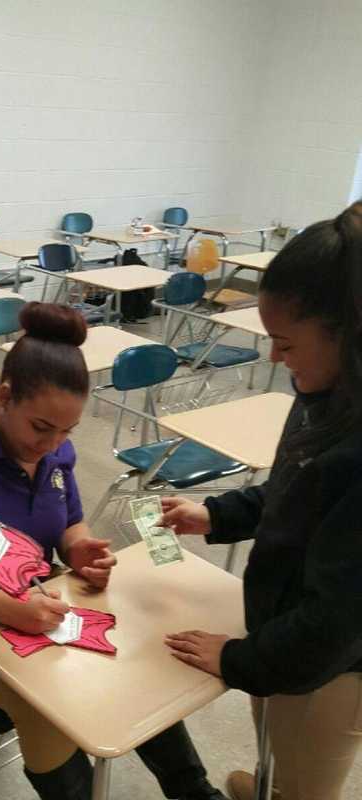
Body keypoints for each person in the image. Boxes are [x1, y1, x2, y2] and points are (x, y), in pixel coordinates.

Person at [0, 301, 229, 800]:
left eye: (66, 433)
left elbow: (68, 524)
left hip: (40, 595)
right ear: (5, 396)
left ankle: (194, 791)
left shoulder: (54, 452)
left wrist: (80, 550)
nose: (53, 445)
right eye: (40, 428)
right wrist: (14, 610)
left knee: (129, 650)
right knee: (45, 701)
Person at [163, 202, 362, 800]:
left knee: (306, 780)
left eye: (285, 343)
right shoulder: (326, 388)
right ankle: (273, 777)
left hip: (329, 672)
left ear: (350, 339)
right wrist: (218, 514)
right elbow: (293, 489)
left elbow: (331, 627)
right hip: (287, 643)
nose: (273, 358)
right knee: (277, 740)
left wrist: (238, 660)